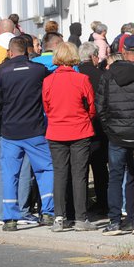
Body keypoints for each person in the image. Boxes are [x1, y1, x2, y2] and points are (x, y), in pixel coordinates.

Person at [0, 37, 54, 230]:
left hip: (10, 131)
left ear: (10, 52)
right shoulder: (38, 70)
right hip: (35, 129)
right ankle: (48, 212)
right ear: (27, 51)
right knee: (45, 169)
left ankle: (9, 218)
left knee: (10, 174)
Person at [97, 35, 134, 235]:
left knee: (115, 177)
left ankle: (115, 221)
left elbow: (101, 107)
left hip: (116, 135)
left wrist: (108, 129)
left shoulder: (108, 75)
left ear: (123, 52)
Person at [42, 42, 97, 231]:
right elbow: (91, 107)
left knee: (59, 174)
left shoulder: (48, 81)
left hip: (56, 130)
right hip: (80, 130)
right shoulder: (82, 79)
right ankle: (81, 218)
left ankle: (59, 217)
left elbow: (47, 108)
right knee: (79, 175)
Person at [78, 42, 108, 213]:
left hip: (78, 126)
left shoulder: (76, 73)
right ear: (93, 56)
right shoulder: (101, 75)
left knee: (80, 168)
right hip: (98, 127)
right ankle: (102, 201)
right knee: (99, 167)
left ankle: (82, 202)